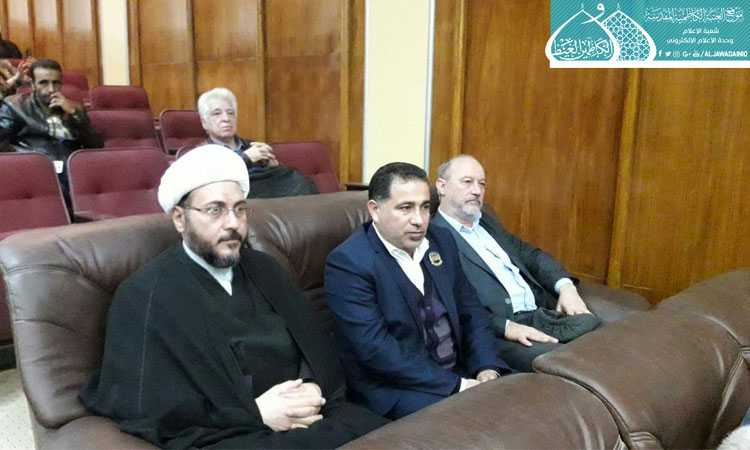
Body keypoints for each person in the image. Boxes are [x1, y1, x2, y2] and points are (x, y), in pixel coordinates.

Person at [80, 145, 388, 449]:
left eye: (239, 209)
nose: (232, 223)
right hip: (230, 432)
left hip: (310, 416)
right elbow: (149, 403)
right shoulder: (145, 294)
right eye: (215, 210)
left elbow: (314, 346)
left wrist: (312, 386)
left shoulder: (265, 269)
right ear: (179, 218)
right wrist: (254, 413)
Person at [325, 162, 509, 420]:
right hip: (397, 389)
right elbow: (377, 350)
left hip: (459, 373)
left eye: (424, 207)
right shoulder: (349, 263)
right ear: (375, 210)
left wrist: (486, 367)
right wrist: (458, 386)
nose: (419, 220)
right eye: (405, 208)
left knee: (519, 402)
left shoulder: (440, 240)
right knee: (481, 419)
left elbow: (471, 311)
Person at [432, 155, 599, 372]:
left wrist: (566, 287)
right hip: (500, 332)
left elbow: (532, 256)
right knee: (572, 363)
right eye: (467, 182)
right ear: (442, 186)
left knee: (605, 336)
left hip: (540, 316)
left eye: (482, 184)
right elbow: (449, 303)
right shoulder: (434, 238)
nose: (476, 191)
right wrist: (505, 326)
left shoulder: (487, 223)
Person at [0, 58, 102, 189]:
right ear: (33, 84)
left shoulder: (74, 108)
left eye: (55, 83)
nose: (51, 89)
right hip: (36, 170)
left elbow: (95, 144)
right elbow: (2, 144)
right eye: (43, 83)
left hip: (72, 170)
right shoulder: (16, 106)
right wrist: (35, 156)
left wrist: (74, 114)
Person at [197, 87, 317, 198]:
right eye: (217, 114)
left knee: (301, 181)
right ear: (204, 123)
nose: (226, 119)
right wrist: (247, 158)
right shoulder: (202, 153)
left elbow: (279, 176)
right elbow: (215, 181)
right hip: (246, 196)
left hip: (270, 189)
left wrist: (274, 165)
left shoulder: (251, 145)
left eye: (230, 113)